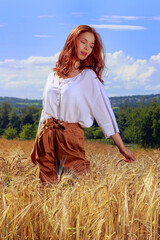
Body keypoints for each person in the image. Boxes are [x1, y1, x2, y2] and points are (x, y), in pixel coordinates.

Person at [31, 25, 136, 185]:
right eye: (84, 42)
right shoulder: (52, 76)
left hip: (70, 137)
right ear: (72, 42)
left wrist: (121, 147)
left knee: (79, 186)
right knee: (46, 190)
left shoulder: (88, 77)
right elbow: (45, 112)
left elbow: (105, 113)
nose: (87, 48)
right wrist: (35, 146)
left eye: (91, 45)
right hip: (45, 137)